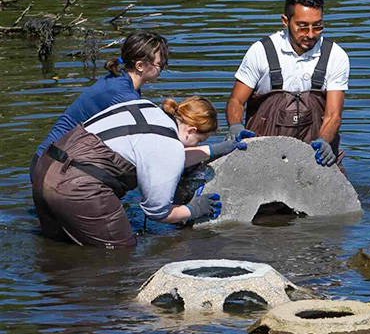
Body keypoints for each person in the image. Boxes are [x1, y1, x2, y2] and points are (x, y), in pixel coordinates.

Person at [31, 96, 247, 248]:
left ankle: (55, 302)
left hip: (45, 169)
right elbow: (157, 212)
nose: (195, 145)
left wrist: (212, 151)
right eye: (199, 141)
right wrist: (193, 209)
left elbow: (158, 152)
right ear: (191, 130)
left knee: (56, 247)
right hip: (78, 188)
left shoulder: (144, 107)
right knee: (119, 253)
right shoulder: (168, 146)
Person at [225, 0, 349, 168]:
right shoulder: (261, 51)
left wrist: (324, 141)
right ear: (285, 21)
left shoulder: (335, 55)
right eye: (302, 26)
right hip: (263, 154)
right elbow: (236, 101)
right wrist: (235, 126)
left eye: (317, 26)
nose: (310, 34)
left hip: (315, 156)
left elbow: (333, 115)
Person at [34, 31, 169, 159]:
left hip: (53, 157)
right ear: (140, 66)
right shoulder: (123, 95)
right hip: (52, 162)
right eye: (160, 64)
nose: (163, 67)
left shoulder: (122, 81)